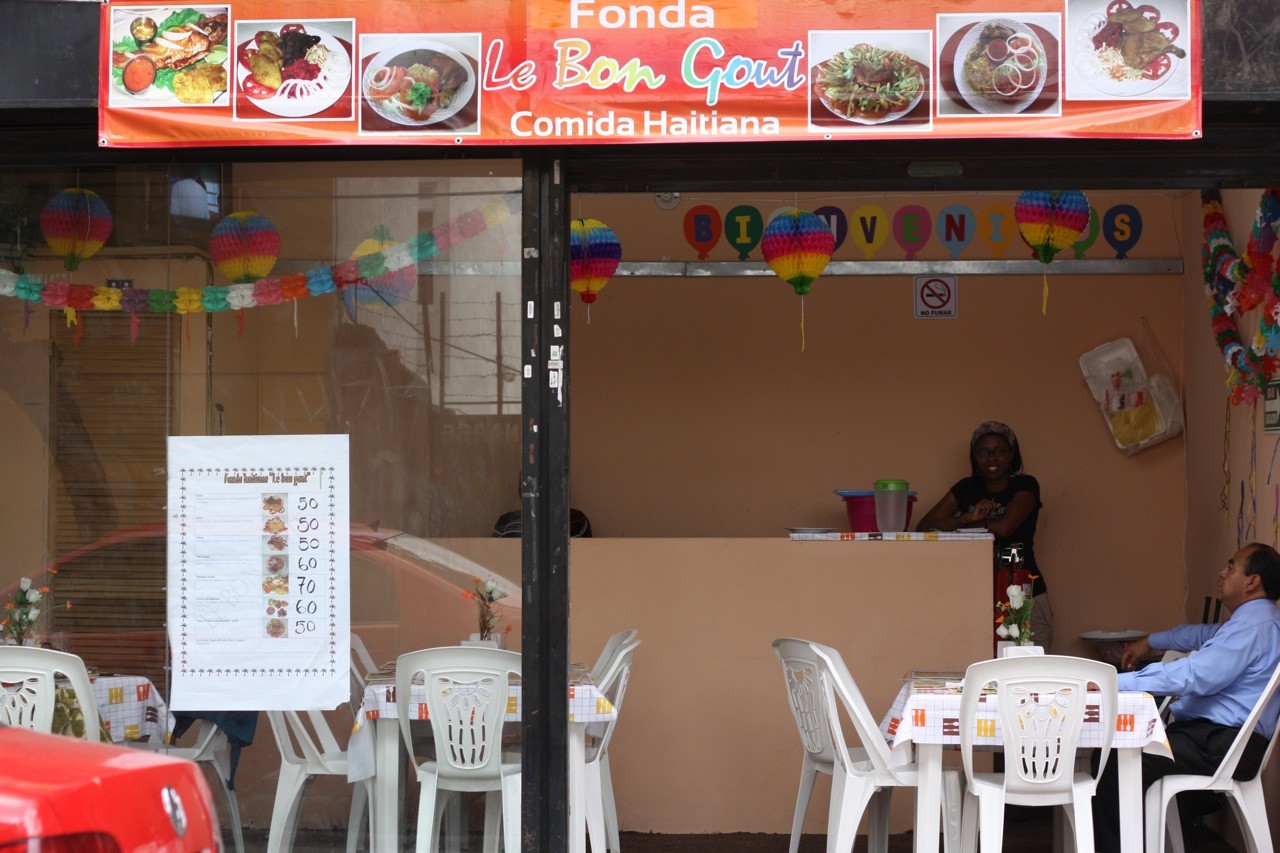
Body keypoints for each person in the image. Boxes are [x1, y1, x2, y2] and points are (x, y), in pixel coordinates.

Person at [1091, 542, 1280, 853]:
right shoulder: (1251, 623)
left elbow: (1193, 675)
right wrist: (1149, 641)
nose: (1223, 572)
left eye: (1231, 566)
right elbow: (1196, 635)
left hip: (1221, 744)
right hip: (1216, 739)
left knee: (1116, 760)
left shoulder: (1252, 629)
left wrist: (1109, 682)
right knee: (1115, 752)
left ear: (1252, 582)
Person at [915, 420, 1052, 649]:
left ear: (1011, 455)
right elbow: (924, 529)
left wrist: (967, 525)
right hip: (976, 594)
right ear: (975, 457)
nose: (992, 458)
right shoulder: (966, 488)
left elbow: (1005, 528)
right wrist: (966, 518)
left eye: (999, 451)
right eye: (984, 452)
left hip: (1023, 591)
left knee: (1029, 673)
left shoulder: (1026, 485)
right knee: (981, 667)